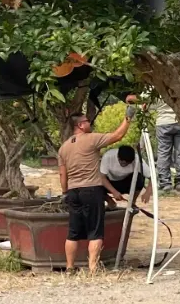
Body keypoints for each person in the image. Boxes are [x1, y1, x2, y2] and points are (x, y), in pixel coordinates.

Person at [57, 99, 134, 274]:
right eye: (87, 121)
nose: (90, 124)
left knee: (73, 233)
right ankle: (93, 268)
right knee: (95, 231)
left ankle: (70, 268)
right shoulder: (91, 139)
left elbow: (63, 174)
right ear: (81, 125)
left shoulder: (63, 148)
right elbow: (117, 136)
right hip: (91, 191)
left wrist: (65, 193)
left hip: (73, 192)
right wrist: (128, 117)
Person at [153, 94, 180, 193]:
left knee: (163, 152)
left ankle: (165, 182)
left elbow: (143, 99)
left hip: (163, 122)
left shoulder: (154, 84)